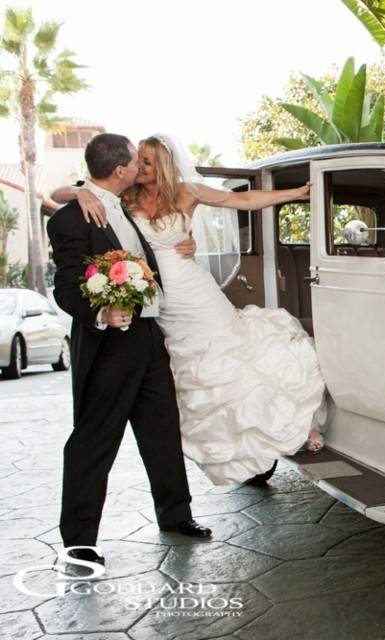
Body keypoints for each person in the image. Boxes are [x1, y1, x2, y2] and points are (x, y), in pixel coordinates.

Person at [51, 133, 325, 486]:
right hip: (161, 305)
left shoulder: (187, 192)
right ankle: (239, 445)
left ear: (162, 164)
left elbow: (240, 200)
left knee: (235, 356)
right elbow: (61, 196)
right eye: (137, 162)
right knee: (197, 377)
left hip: (195, 294)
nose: (139, 167)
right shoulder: (125, 197)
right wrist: (81, 191)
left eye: (146, 161)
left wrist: (295, 194)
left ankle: (297, 422)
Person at [47, 133, 212, 566]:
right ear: (119, 170)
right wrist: (102, 314)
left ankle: (176, 514)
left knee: (161, 427)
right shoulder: (68, 220)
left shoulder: (128, 204)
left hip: (149, 335)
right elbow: (65, 288)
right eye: (135, 162)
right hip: (108, 344)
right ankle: (79, 538)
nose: (142, 166)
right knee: (94, 438)